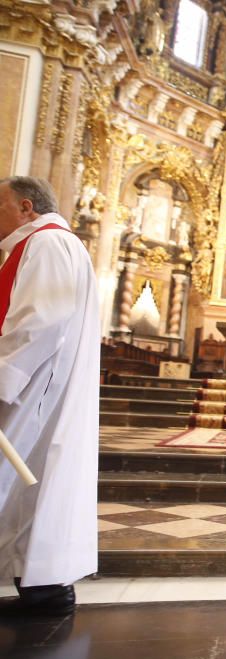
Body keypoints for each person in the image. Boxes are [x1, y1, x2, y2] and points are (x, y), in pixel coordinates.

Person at [0, 177, 100, 616]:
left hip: (30, 389)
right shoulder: (47, 243)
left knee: (23, 481)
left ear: (25, 207)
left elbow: (40, 320)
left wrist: (3, 379)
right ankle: (40, 588)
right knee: (27, 487)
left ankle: (45, 590)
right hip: (34, 385)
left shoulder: (48, 244)